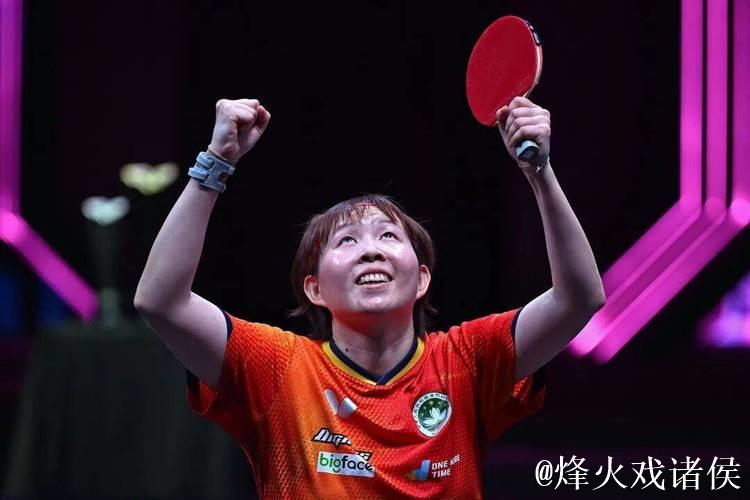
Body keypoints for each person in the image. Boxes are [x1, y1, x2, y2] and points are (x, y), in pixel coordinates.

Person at [134, 97, 605, 498]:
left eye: (388, 235)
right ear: (314, 289)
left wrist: (539, 172)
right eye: (346, 241)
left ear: (421, 280)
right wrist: (215, 163)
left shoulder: (468, 362)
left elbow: (579, 298)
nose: (371, 250)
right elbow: (161, 301)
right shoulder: (275, 368)